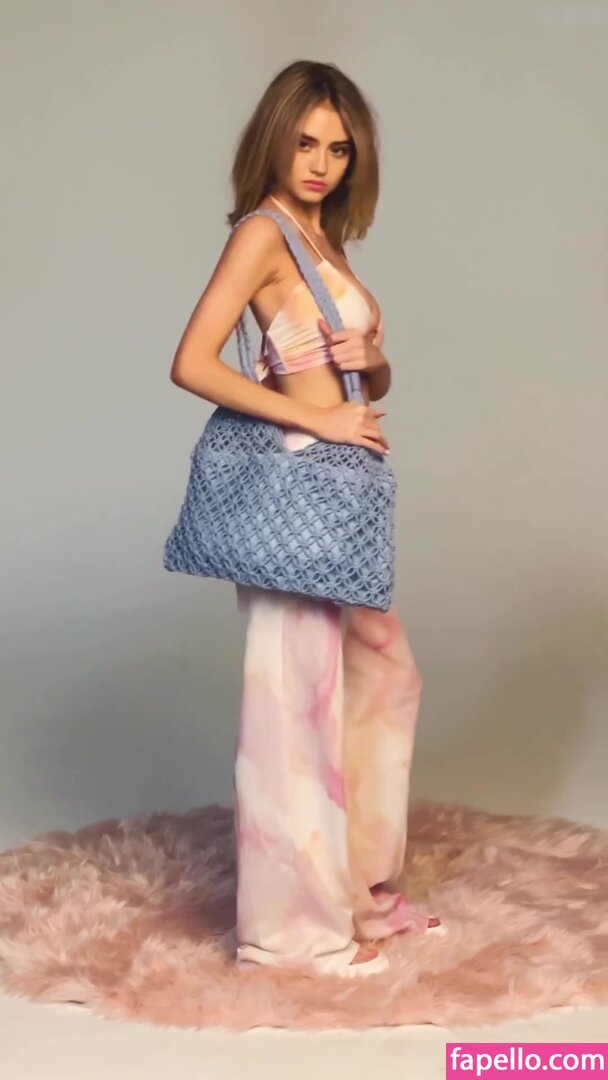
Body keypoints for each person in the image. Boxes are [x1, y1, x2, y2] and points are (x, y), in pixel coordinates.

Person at [170, 60, 443, 979]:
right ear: (275, 142)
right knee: (295, 705)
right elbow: (193, 362)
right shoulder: (264, 233)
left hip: (342, 494)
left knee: (381, 673)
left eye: (339, 148)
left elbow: (359, 372)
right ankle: (293, 936)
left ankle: (360, 895)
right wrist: (319, 419)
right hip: (297, 485)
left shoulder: (326, 244)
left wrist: (373, 359)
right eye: (305, 142)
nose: (321, 162)